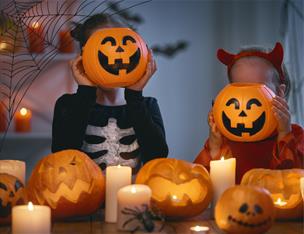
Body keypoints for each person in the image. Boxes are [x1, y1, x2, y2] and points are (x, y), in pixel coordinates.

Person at [52, 13, 168, 173]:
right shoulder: (68, 105)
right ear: (83, 57)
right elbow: (61, 156)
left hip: (133, 196)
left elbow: (158, 157)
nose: (117, 55)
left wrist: (134, 96)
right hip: (84, 196)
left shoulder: (146, 106)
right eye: (105, 48)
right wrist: (85, 93)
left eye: (124, 46)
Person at [194, 42, 304, 183]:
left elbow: (294, 182)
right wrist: (214, 147)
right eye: (239, 89)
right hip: (233, 204)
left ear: (279, 93)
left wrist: (284, 134)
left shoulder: (295, 135)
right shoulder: (224, 141)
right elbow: (199, 183)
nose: (246, 99)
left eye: (257, 90)